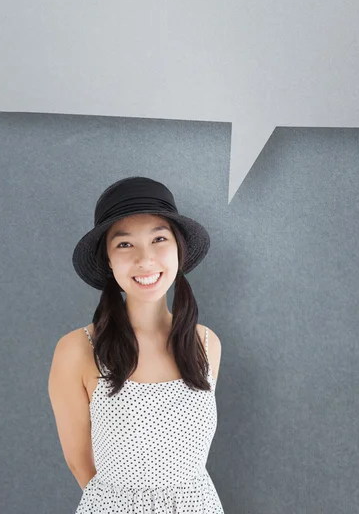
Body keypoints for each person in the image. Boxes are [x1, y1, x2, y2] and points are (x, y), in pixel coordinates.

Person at [48, 176, 225, 513]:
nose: (146, 260)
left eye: (159, 239)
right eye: (125, 245)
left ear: (178, 249)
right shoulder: (77, 350)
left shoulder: (206, 344)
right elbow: (80, 463)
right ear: (108, 260)